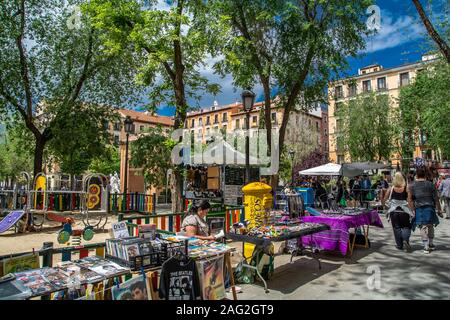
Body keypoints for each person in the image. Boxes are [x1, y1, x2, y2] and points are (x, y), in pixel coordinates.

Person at [408, 167, 444, 254]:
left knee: (423, 227)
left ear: (416, 175)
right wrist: (439, 210)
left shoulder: (411, 185)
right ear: (425, 175)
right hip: (430, 207)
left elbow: (410, 200)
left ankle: (426, 246)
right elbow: (436, 198)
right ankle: (431, 243)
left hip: (419, 209)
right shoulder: (431, 184)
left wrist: (412, 210)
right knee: (430, 225)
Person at [383, 172, 414, 252]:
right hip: (404, 212)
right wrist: (413, 210)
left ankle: (399, 245)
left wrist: (385, 207)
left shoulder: (391, 188)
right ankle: (405, 239)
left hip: (394, 211)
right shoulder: (406, 188)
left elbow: (384, 199)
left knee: (396, 228)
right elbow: (409, 201)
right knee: (406, 226)